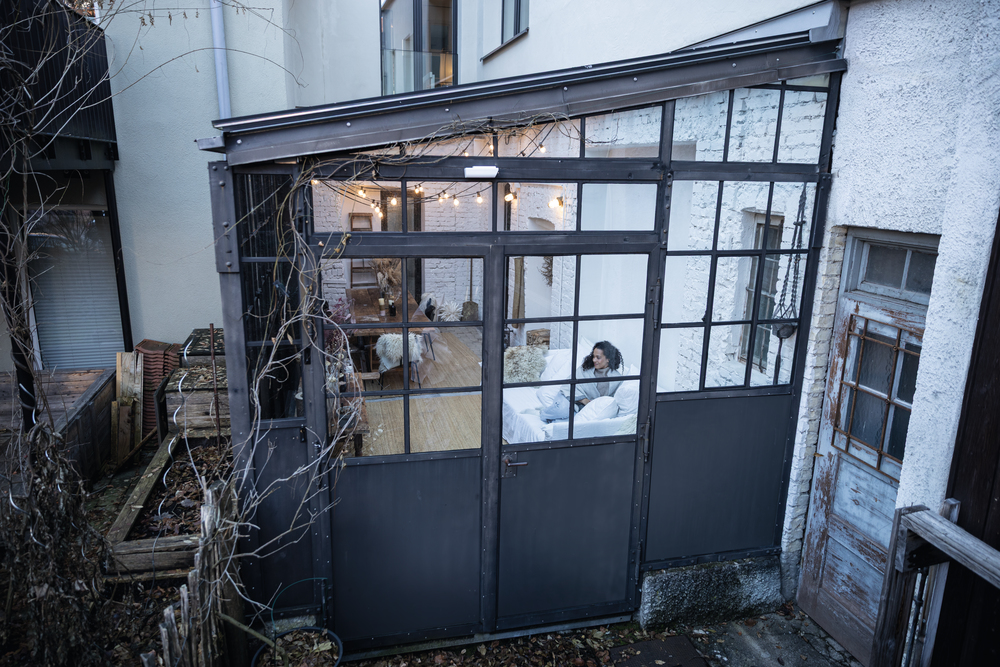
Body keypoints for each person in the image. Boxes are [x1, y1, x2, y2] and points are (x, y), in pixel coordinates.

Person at [571, 341, 624, 406]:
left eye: (598, 357)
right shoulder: (584, 369)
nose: (594, 360)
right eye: (593, 357)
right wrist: (583, 400)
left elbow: (617, 400)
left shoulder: (617, 379)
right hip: (577, 406)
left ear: (608, 359)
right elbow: (567, 386)